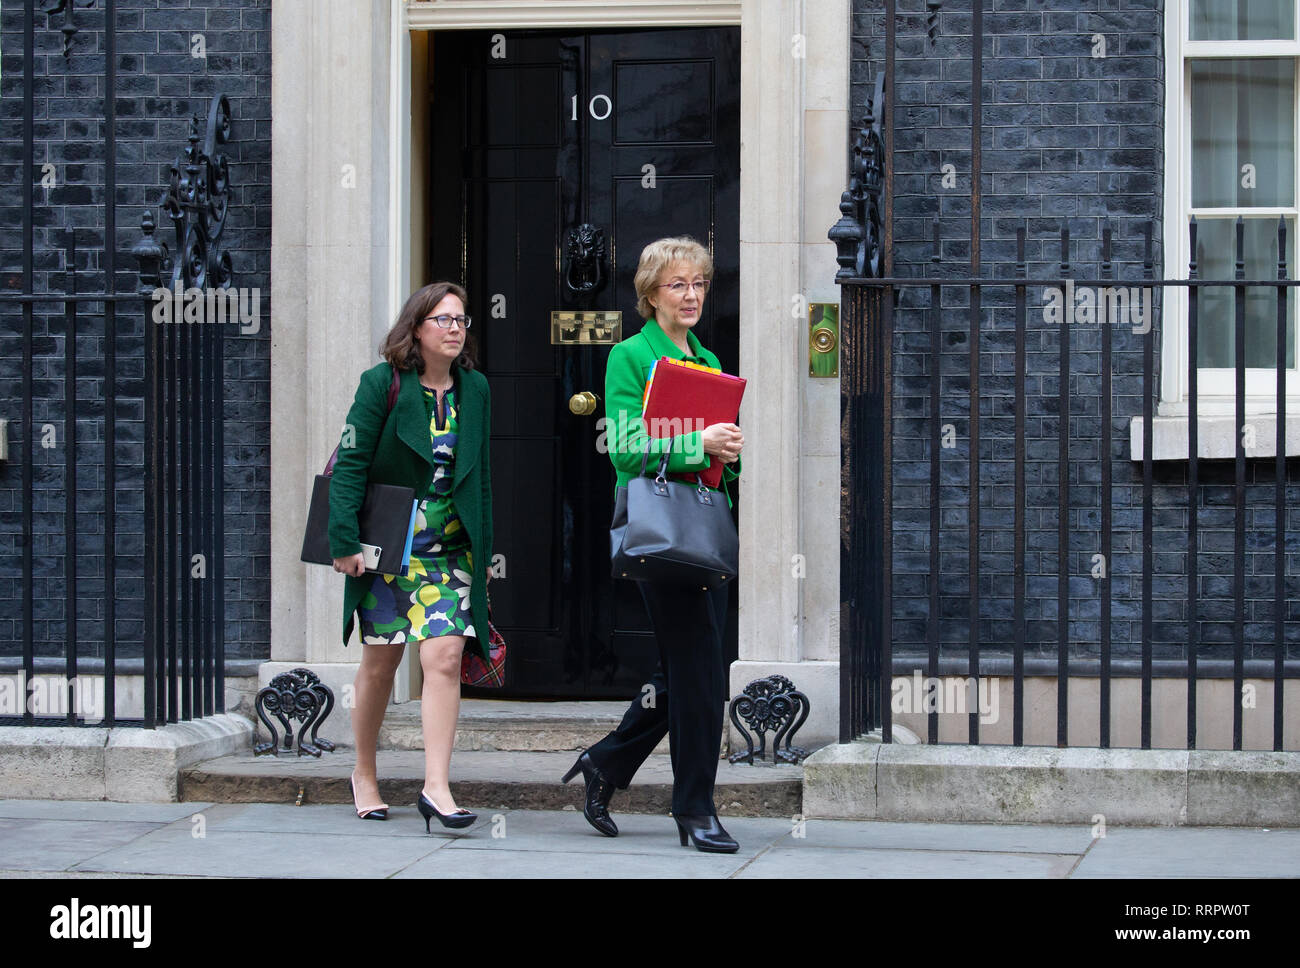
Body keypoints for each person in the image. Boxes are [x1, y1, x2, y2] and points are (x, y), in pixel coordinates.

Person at [563, 236, 744, 853]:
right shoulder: (629, 357)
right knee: (700, 676)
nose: (691, 295)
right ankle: (694, 809)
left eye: (698, 284)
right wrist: (699, 446)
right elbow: (625, 449)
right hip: (661, 533)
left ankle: (606, 765)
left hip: (705, 526)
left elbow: (721, 461)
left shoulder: (711, 360)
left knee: (685, 673)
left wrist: (729, 457)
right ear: (650, 294)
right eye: (677, 285)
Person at [328, 281, 493, 833]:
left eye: (462, 320)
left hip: (449, 551)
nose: (455, 328)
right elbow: (350, 462)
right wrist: (343, 540)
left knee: (444, 658)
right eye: (443, 319)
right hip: (389, 549)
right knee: (382, 663)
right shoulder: (382, 386)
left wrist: (484, 546)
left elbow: (480, 477)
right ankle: (364, 772)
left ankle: (437, 787)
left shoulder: (476, 390)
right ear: (416, 328)